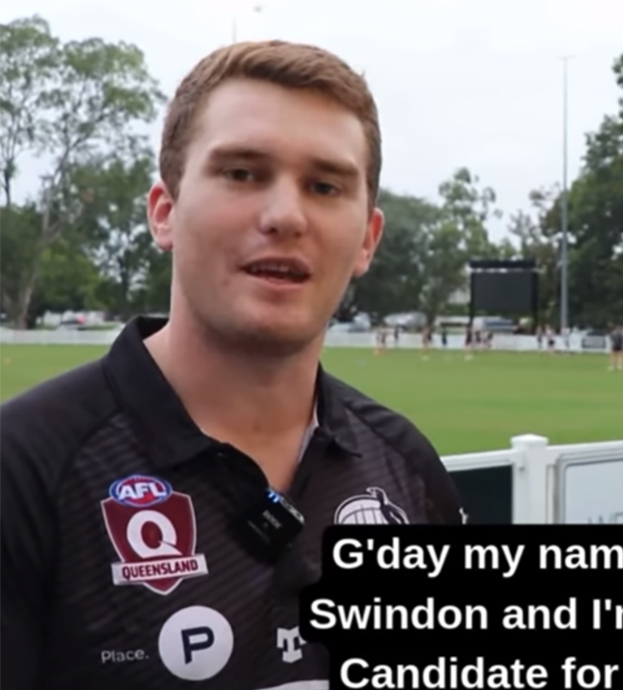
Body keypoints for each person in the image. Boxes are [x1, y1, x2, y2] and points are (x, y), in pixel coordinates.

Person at [0, 41, 465, 690]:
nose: (285, 216)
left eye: (325, 185)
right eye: (243, 173)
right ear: (164, 212)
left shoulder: (406, 468)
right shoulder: (25, 469)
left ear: (366, 238)